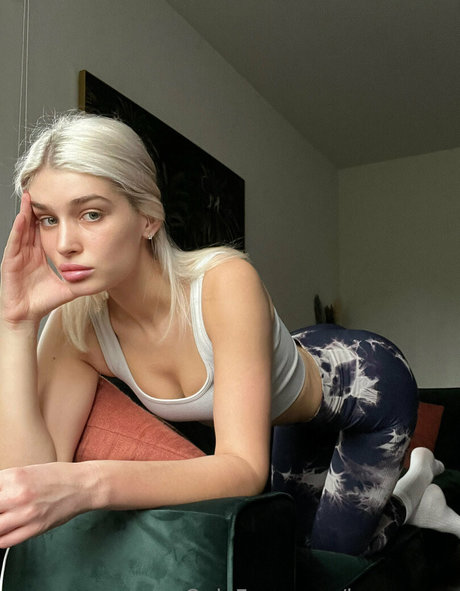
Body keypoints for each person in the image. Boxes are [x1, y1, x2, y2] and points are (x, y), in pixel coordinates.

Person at [0, 112, 458, 559]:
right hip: (289, 406)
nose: (64, 244)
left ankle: (414, 488)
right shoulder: (75, 326)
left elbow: (242, 470)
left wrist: (89, 485)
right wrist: (16, 323)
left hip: (367, 386)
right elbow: (27, 481)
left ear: (148, 218)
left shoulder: (225, 282)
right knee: (291, 551)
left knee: (333, 560)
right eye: (48, 219)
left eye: (91, 214)